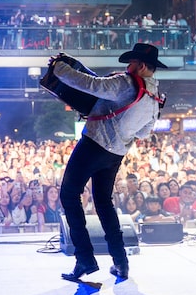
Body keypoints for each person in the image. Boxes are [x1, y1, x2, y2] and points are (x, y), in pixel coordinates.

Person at [52, 43, 165, 281]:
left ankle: (85, 259)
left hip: (94, 144)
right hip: (114, 154)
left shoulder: (127, 83)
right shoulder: (155, 98)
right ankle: (120, 262)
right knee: (104, 203)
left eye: (131, 63)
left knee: (69, 195)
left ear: (141, 66)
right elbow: (144, 132)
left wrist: (59, 68)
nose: (127, 67)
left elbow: (92, 85)